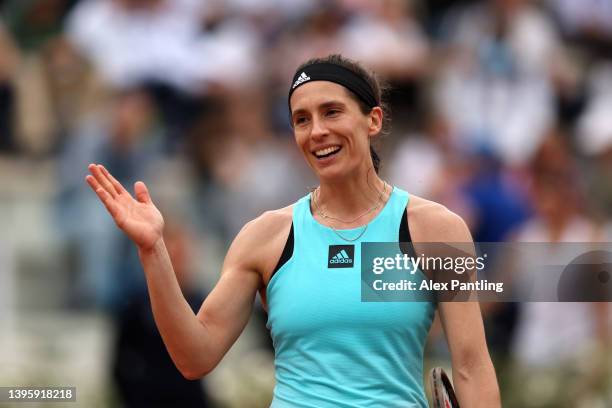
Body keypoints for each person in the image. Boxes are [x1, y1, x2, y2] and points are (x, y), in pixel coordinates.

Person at [85, 54, 500, 407]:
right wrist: (153, 250)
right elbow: (195, 356)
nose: (317, 130)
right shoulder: (265, 237)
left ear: (373, 120)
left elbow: (471, 366)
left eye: (331, 112)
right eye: (302, 119)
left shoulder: (433, 228)